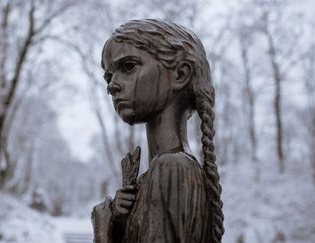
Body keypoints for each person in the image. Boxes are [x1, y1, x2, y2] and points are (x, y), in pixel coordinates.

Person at [91, 19, 224, 243]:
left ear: (180, 74)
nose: (111, 85)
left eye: (128, 66)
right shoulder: (168, 169)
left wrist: (102, 231)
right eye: (109, 76)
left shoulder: (171, 168)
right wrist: (121, 225)